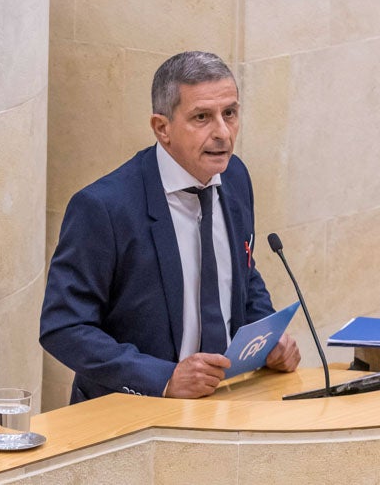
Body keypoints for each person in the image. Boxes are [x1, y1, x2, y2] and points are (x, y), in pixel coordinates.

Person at [41, 51, 300, 403]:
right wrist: (164, 379)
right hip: (131, 413)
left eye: (230, 113)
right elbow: (65, 327)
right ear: (162, 128)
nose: (222, 133)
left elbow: (242, 272)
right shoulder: (104, 207)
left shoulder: (235, 177)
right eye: (202, 118)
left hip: (225, 400)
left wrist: (266, 340)